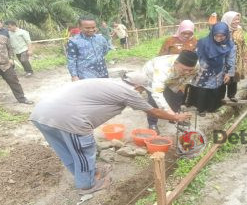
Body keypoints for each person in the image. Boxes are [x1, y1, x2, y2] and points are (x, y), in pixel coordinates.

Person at [29, 72, 191, 195]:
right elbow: (154, 111)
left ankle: (84, 175)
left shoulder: (110, 82)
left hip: (41, 115)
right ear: (138, 87)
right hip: (69, 121)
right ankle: (87, 185)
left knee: (67, 150)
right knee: (84, 152)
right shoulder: (128, 92)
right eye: (142, 89)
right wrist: (176, 117)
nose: (141, 92)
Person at [143, 50, 199, 132]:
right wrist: (168, 111)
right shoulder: (162, 67)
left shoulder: (196, 66)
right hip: (151, 76)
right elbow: (157, 94)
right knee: (154, 101)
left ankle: (174, 118)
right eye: (184, 69)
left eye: (190, 70)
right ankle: (152, 124)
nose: (187, 72)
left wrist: (181, 86)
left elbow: (189, 77)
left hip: (175, 76)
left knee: (178, 95)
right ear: (176, 63)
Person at [187, 22, 235, 116]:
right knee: (202, 88)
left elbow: (230, 59)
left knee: (215, 88)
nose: (219, 38)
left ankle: (212, 108)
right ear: (212, 33)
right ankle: (201, 109)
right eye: (216, 35)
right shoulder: (203, 42)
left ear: (226, 35)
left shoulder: (230, 45)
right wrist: (194, 69)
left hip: (219, 70)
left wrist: (228, 73)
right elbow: (196, 55)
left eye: (222, 36)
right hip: (203, 68)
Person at [67, 17, 110, 81]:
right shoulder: (74, 41)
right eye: (87, 28)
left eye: (93, 27)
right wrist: (74, 76)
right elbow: (71, 60)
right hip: (85, 76)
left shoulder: (101, 39)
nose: (91, 30)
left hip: (103, 73)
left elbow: (105, 51)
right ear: (80, 27)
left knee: (104, 90)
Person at [220, 11, 247, 102]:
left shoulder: (239, 29)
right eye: (234, 20)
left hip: (237, 57)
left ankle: (232, 95)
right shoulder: (221, 29)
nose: (237, 21)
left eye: (238, 19)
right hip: (224, 57)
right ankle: (220, 97)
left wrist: (245, 54)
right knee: (223, 75)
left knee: (235, 75)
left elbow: (243, 42)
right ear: (228, 20)